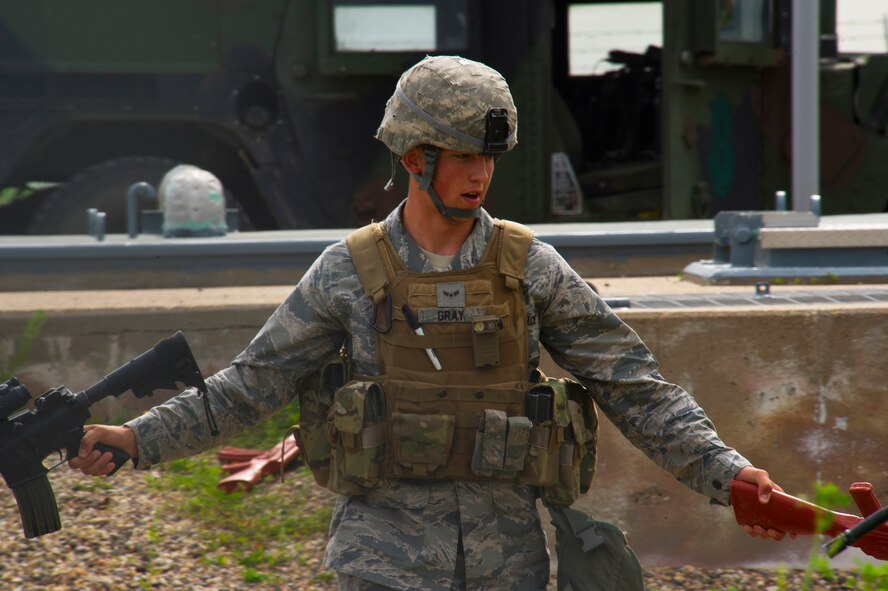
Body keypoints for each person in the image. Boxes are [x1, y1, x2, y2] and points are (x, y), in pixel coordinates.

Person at [70, 55, 787, 590]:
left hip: (509, 562)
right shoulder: (348, 270)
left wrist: (731, 475)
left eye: (489, 158)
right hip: (382, 562)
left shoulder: (529, 267)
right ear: (415, 158)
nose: (480, 175)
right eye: (464, 156)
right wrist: (137, 437)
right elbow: (248, 388)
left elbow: (636, 386)